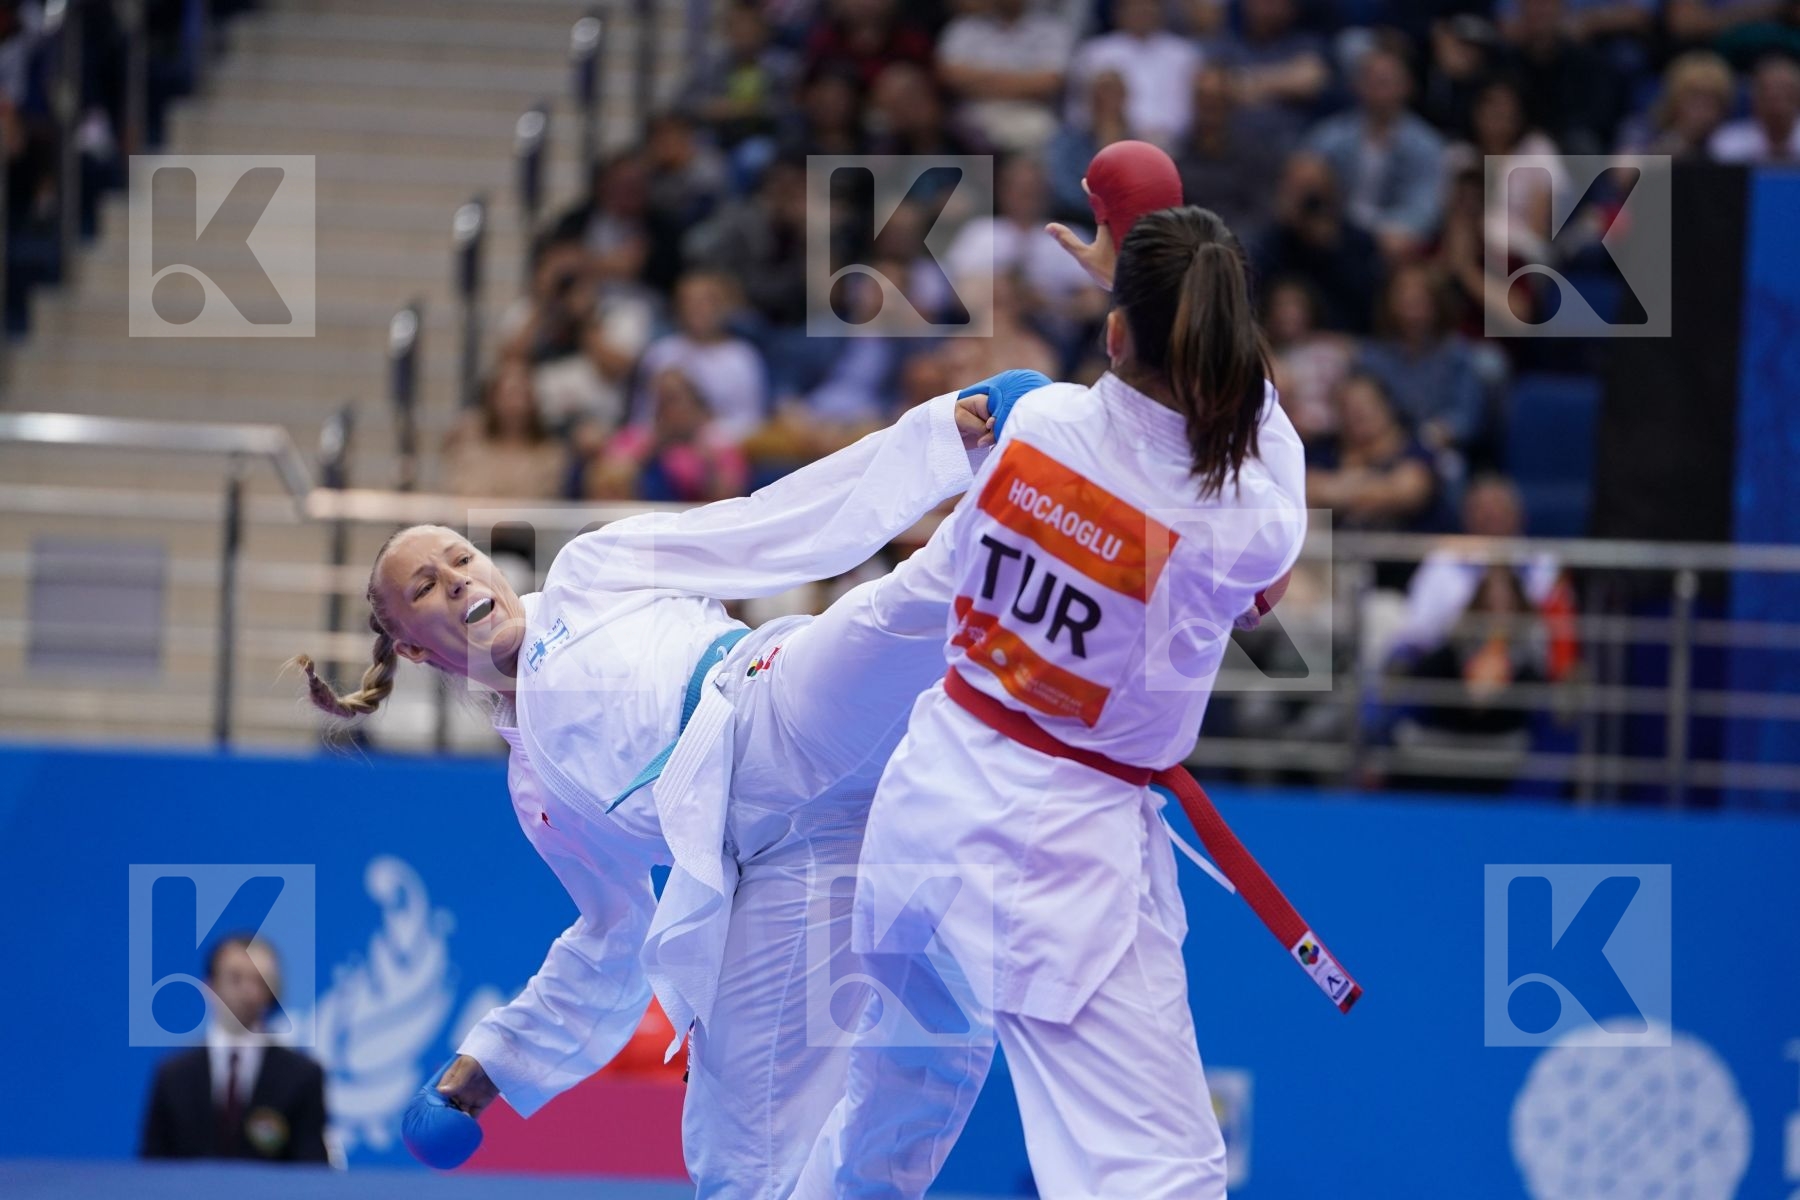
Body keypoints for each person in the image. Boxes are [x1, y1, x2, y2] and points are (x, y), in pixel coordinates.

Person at [293, 387, 999, 1197]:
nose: (455, 581)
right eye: (424, 588)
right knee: (739, 1151)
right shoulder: (536, 791)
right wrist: (483, 1069)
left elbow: (767, 527)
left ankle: (1032, 493)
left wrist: (940, 438)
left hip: (767, 707)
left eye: (459, 557)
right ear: (414, 650)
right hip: (766, 865)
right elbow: (610, 935)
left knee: (892, 615)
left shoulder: (592, 571)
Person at [793, 207, 1307, 1199]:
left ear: (1115, 333)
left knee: (884, 1123)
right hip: (1058, 850)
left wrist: (1155, 286)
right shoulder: (1239, 514)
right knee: (1158, 1175)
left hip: (927, 798)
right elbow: (1268, 553)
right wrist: (1211, 307)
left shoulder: (1037, 418)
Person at [140, 936, 330, 1164]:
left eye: (260, 981)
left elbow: (311, 1168)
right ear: (210, 986)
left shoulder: (302, 1076)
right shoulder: (174, 1075)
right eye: (235, 978)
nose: (248, 991)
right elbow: (152, 1167)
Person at [1303, 42, 1446, 262]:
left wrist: (1386, 232)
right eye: (1371, 79)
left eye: (1386, 80)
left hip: (1391, 240)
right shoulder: (1332, 134)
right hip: (1339, 233)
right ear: (1357, 84)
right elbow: (1304, 174)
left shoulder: (1427, 145)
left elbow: (1424, 209)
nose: (1377, 87)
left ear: (1407, 86)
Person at [1709, 55, 1800, 162]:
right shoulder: (1728, 142)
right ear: (1754, 97)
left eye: (1786, 92)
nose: (1777, 100)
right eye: (1768, 92)